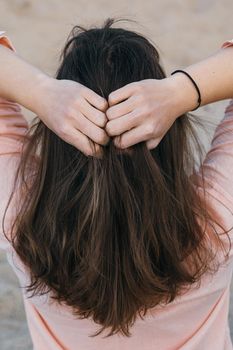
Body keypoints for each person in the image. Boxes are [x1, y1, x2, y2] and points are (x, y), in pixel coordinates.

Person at [0, 18, 233, 350]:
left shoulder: (21, 222)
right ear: (169, 131)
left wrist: (42, 92)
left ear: (56, 133)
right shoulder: (216, 225)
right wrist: (181, 90)